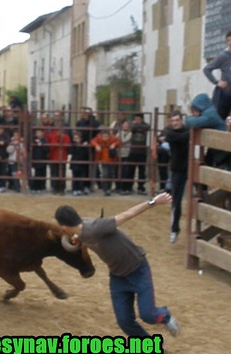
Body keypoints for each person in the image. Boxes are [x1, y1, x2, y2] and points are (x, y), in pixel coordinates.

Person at [54, 191, 180, 338]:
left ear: (64, 228)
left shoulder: (97, 227)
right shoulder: (82, 230)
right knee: (124, 321)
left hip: (138, 269)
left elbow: (126, 215)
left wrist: (153, 202)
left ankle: (165, 316)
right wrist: (77, 239)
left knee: (148, 315)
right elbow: (82, 234)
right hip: (118, 276)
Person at [164, 111, 190, 243]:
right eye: (173, 120)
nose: (175, 123)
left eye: (177, 120)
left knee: (201, 195)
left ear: (181, 120)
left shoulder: (187, 130)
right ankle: (174, 229)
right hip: (178, 169)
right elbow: (183, 138)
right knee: (176, 200)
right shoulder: (170, 133)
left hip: (192, 167)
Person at [203, 31, 231, 120]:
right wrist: (217, 82)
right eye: (228, 40)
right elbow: (207, 69)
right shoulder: (223, 56)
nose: (230, 42)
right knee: (220, 119)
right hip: (225, 94)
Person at [76, 107, 100, 193]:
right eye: (82, 113)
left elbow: (97, 134)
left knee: (91, 168)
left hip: (91, 148)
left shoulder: (94, 122)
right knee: (82, 167)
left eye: (85, 113)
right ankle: (82, 186)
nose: (84, 114)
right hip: (82, 147)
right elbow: (78, 133)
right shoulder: (79, 122)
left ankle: (89, 185)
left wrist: (90, 142)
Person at [90, 129, 120, 196]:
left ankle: (108, 189)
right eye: (104, 136)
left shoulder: (113, 138)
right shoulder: (99, 137)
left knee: (110, 175)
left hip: (112, 160)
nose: (105, 138)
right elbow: (92, 141)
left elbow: (119, 141)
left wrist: (114, 144)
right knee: (105, 174)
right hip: (103, 160)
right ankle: (105, 189)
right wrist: (96, 145)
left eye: (106, 136)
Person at [45, 126, 70, 195]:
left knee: (62, 174)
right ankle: (54, 188)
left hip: (62, 158)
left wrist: (60, 141)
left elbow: (67, 145)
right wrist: (59, 142)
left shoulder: (65, 136)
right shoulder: (53, 135)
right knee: (54, 173)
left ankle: (62, 188)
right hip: (53, 157)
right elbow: (51, 145)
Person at [130, 113, 150, 195]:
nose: (137, 121)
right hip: (133, 150)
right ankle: (129, 187)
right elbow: (132, 127)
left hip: (142, 151)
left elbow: (148, 127)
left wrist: (138, 126)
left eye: (138, 119)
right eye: (136, 119)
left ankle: (141, 187)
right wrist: (137, 126)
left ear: (141, 119)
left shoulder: (145, 125)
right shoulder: (133, 125)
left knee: (142, 170)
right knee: (131, 170)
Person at [69, 132, 89, 196]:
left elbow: (86, 153)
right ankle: (75, 189)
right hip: (74, 163)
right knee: (75, 177)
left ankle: (80, 189)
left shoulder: (84, 145)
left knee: (81, 177)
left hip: (82, 163)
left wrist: (84, 146)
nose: (76, 140)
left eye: (77, 138)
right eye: (74, 138)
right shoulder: (72, 145)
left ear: (80, 139)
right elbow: (70, 152)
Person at [118, 121, 133, 195]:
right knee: (120, 171)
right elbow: (116, 139)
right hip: (120, 154)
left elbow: (123, 140)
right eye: (124, 125)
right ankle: (120, 187)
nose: (125, 126)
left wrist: (119, 137)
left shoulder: (130, 133)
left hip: (127, 154)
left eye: (126, 125)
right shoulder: (120, 132)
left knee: (126, 171)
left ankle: (126, 188)